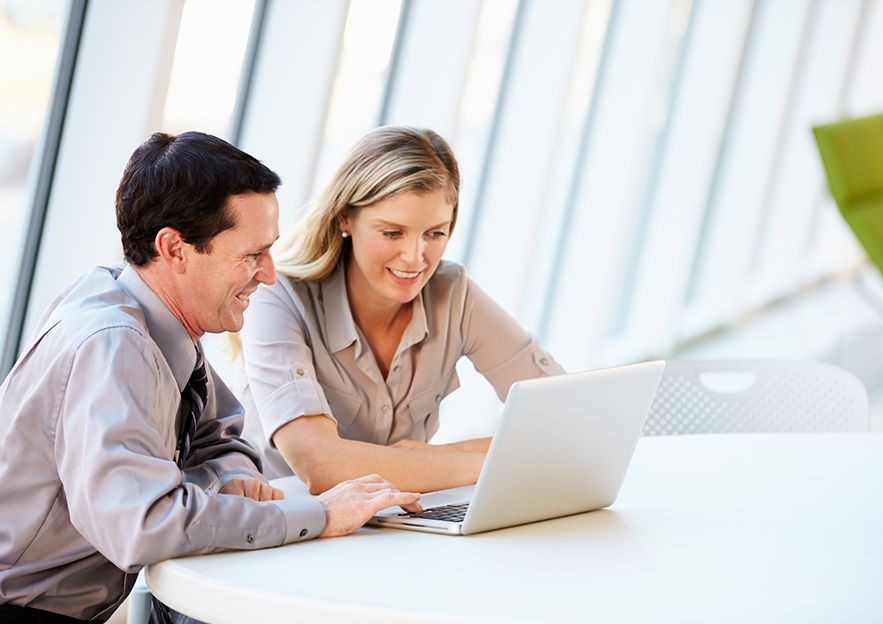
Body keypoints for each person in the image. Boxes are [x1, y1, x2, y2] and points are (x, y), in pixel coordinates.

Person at [0, 131, 420, 624]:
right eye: (250, 255)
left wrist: (234, 477)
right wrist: (319, 517)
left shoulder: (155, 320)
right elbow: (145, 523)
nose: (268, 274)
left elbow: (222, 436)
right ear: (175, 249)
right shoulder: (113, 345)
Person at [239, 126, 564, 495]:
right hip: (282, 528)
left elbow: (563, 416)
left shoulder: (453, 294)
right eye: (393, 233)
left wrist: (437, 458)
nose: (415, 258)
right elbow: (320, 465)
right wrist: (486, 462)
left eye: (435, 234)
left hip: (394, 526)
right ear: (345, 217)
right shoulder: (278, 295)